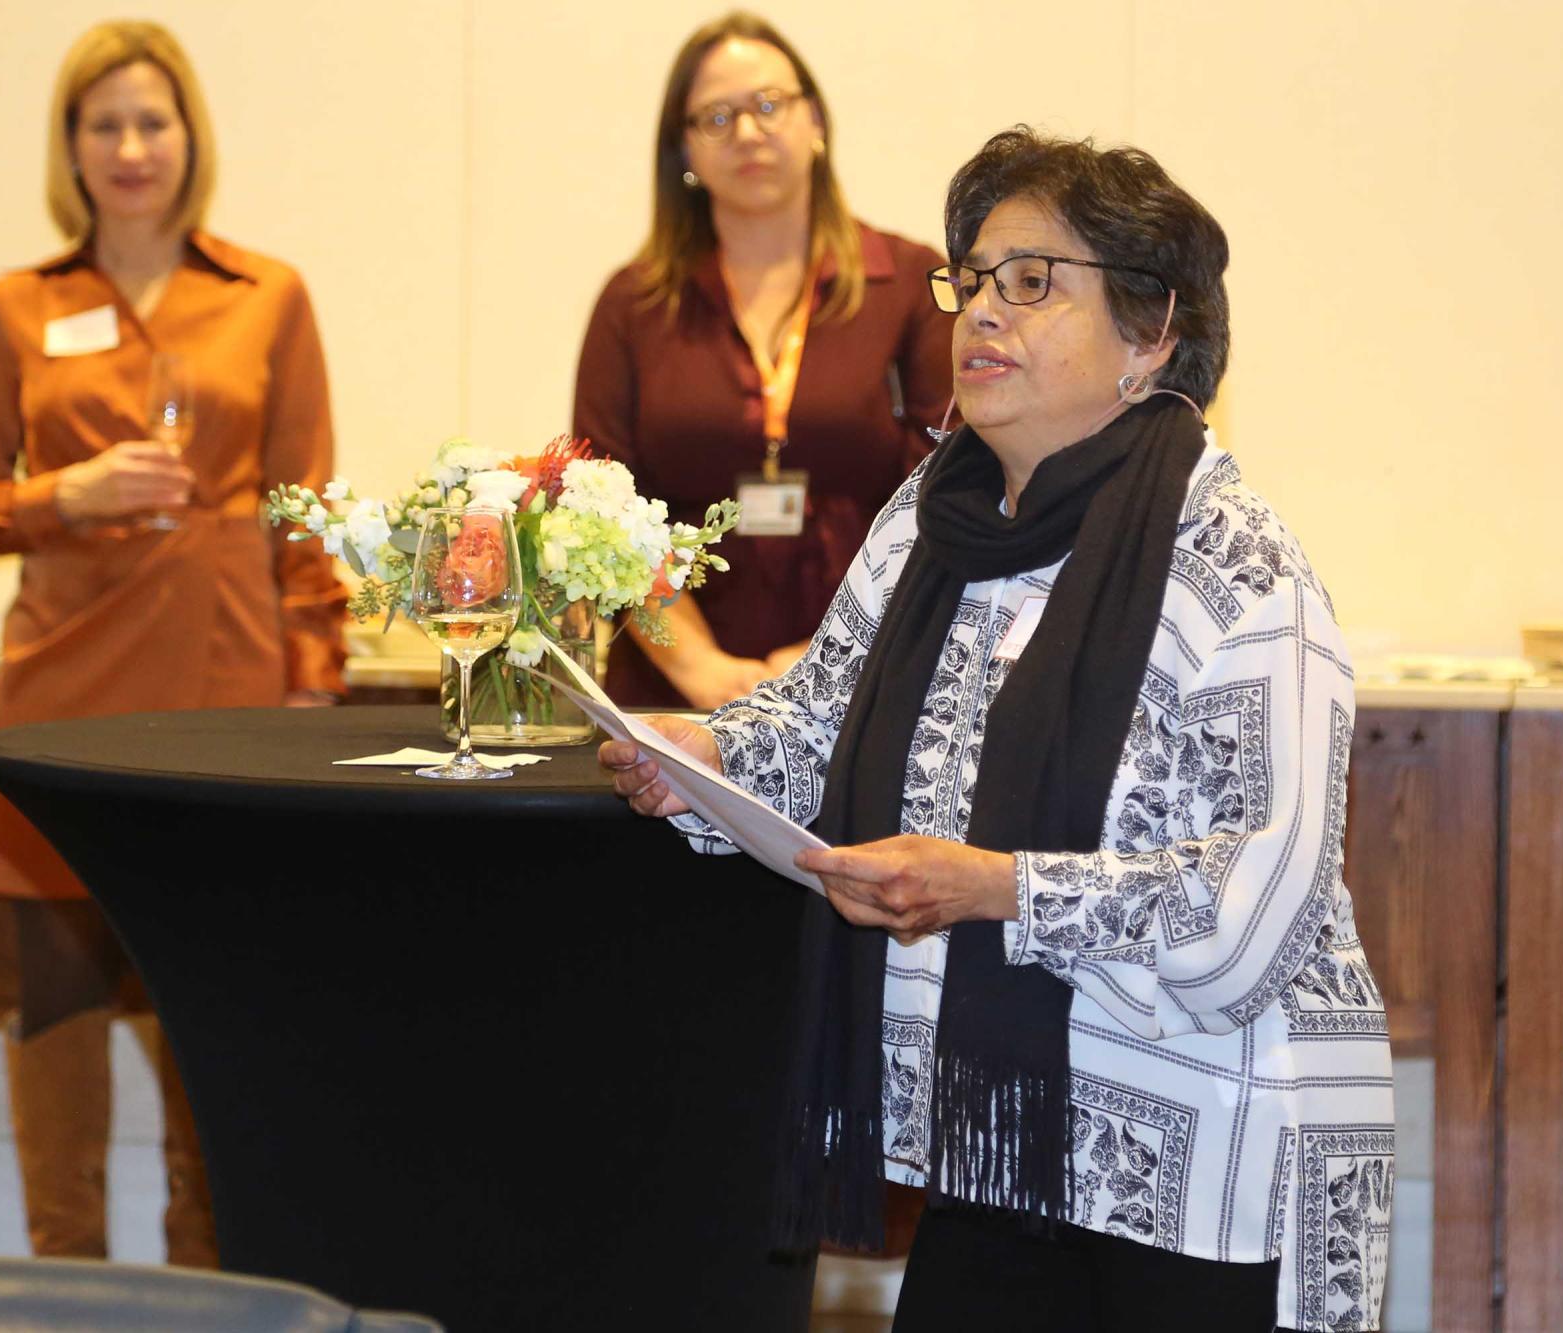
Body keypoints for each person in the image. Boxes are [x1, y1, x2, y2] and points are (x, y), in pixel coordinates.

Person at [603, 129, 1392, 1332]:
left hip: (1215, 1160)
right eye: (970, 278)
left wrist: (997, 888)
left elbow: (1252, 916)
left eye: (1032, 280)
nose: (980, 309)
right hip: (1012, 1141)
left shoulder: (1234, 568)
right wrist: (699, 761)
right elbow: (816, 724)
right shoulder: (935, 516)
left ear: (1151, 334)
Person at [0, 20, 346, 1266]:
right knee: (55, 1006)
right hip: (57, 696)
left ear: (189, 139)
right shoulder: (20, 306)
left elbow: (306, 511)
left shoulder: (266, 293)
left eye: (150, 121)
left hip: (223, 696)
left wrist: (313, 685)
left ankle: (204, 1291)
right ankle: (65, 1284)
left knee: (206, 1021)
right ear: (69, 146)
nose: (128, 146)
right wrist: (66, 495)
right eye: (101, 122)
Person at [573, 10, 952, 709]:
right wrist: (702, 669)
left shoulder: (910, 285)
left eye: (769, 105)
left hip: (867, 685)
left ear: (816, 123)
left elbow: (945, 497)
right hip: (671, 697)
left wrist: (824, 659)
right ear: (682, 152)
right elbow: (605, 513)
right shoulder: (634, 305)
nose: (748, 132)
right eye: (716, 118)